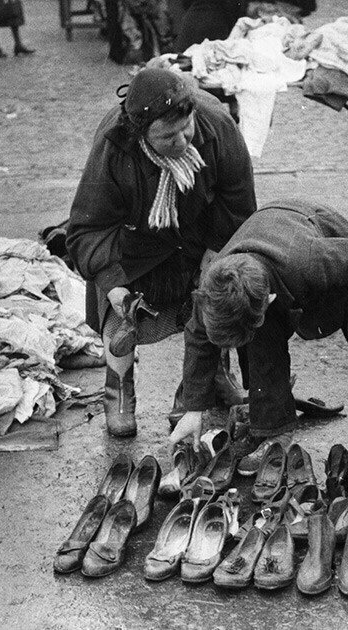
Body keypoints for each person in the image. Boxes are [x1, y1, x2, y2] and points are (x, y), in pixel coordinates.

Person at [169, 199, 348, 481]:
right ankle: (275, 431)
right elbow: (198, 337)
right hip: (270, 247)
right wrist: (194, 409)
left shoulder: (309, 261)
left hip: (338, 255)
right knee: (262, 339)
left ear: (269, 300)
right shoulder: (215, 289)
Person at [67, 68, 256, 438]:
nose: (183, 141)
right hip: (137, 245)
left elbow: (238, 198)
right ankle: (119, 391)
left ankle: (204, 383)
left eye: (186, 129)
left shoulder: (216, 125)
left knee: (217, 292)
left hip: (199, 234)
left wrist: (217, 249)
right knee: (120, 318)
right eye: (167, 137)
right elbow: (86, 229)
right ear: (141, 133)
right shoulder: (114, 148)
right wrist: (114, 285)